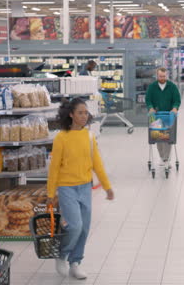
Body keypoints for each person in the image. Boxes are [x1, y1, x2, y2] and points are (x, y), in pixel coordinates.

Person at [47, 98, 115, 280]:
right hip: (66, 188)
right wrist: (50, 192)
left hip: (85, 187)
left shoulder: (89, 137)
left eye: (86, 113)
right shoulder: (61, 137)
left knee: (84, 228)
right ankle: (62, 254)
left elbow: (97, 165)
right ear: (71, 115)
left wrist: (107, 187)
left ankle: (75, 263)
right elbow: (54, 167)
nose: (84, 116)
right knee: (75, 226)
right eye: (80, 113)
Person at [144, 67, 180, 166]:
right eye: (160, 76)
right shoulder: (152, 87)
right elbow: (148, 100)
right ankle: (161, 157)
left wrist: (175, 108)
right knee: (158, 137)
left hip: (169, 116)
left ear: (167, 75)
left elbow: (177, 100)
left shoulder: (172, 86)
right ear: (157, 75)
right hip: (156, 116)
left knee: (168, 137)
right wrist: (150, 107)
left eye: (164, 76)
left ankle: (166, 158)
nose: (162, 78)